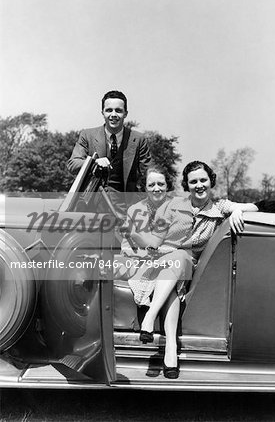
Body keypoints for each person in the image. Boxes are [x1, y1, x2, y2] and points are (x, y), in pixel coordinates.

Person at [133, 161, 258, 378]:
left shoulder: (219, 207)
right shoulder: (174, 205)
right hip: (162, 262)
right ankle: (170, 349)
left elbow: (254, 207)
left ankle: (150, 318)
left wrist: (237, 210)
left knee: (180, 262)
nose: (199, 185)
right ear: (186, 185)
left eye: (203, 180)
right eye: (193, 182)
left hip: (185, 267)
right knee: (176, 264)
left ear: (211, 182)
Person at [118, 165, 192, 379]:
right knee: (169, 285)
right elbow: (126, 243)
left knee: (170, 272)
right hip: (144, 262)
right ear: (145, 187)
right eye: (152, 184)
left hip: (171, 260)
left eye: (161, 184)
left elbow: (182, 238)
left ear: (168, 186)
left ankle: (153, 327)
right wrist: (140, 252)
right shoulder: (134, 210)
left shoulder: (178, 207)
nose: (157, 188)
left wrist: (163, 250)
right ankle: (170, 350)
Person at [67, 90, 151, 205]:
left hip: (126, 209)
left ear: (125, 113)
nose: (113, 115)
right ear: (102, 113)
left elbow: (149, 173)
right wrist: (94, 162)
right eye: (109, 110)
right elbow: (72, 164)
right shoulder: (87, 135)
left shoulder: (139, 139)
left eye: (118, 110)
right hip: (91, 208)